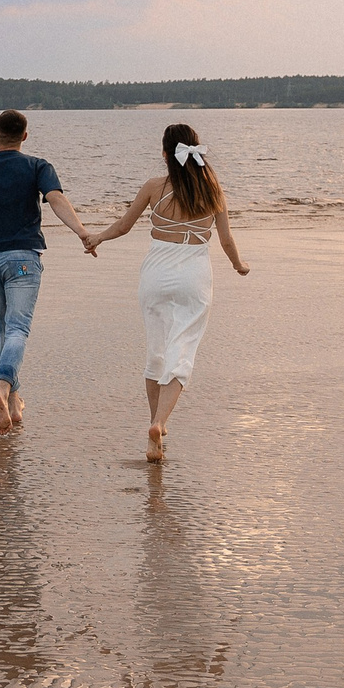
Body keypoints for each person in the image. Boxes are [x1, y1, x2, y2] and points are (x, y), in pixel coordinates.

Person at [86, 122, 250, 462]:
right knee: (182, 351)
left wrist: (97, 237)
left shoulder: (153, 187)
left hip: (156, 274)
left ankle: (152, 427)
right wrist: (239, 265)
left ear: (165, 154)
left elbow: (123, 225)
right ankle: (160, 423)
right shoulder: (213, 190)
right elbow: (226, 240)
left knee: (156, 352)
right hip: (194, 274)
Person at [0, 109, 98, 433]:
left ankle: (12, 405)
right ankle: (3, 389)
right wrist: (81, 231)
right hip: (23, 258)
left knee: (0, 330)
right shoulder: (37, 166)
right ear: (24, 137)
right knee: (17, 329)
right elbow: (55, 199)